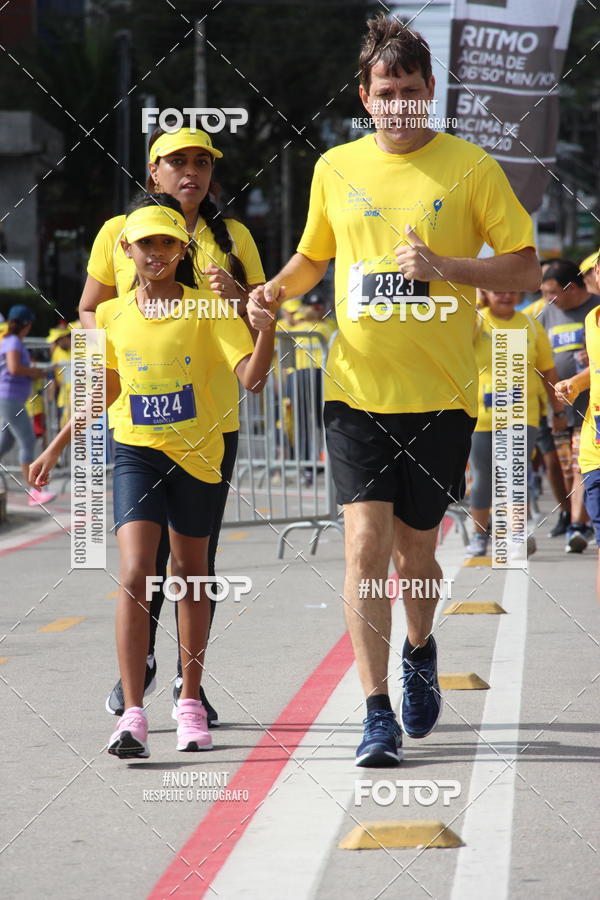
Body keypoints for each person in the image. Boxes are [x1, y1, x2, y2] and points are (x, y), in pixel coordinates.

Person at [248, 15, 540, 767]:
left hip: (442, 396)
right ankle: (375, 709)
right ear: (365, 96)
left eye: (412, 90)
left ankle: (420, 647)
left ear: (430, 92)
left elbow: (525, 270)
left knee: (416, 557)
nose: (400, 102)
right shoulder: (335, 167)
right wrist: (273, 291)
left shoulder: (471, 168)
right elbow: (313, 258)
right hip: (355, 392)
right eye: (387, 91)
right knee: (364, 547)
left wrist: (446, 266)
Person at [29, 195, 275, 758]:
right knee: (137, 571)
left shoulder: (209, 311)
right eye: (146, 244)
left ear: (183, 249)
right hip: (137, 452)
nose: (157, 253)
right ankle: (132, 715)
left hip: (200, 457)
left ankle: (190, 701)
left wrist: (264, 330)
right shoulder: (111, 314)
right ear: (127, 250)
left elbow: (252, 380)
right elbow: (105, 389)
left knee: (190, 573)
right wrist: (55, 447)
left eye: (167, 243)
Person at [79, 126, 265, 724]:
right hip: (137, 420)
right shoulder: (117, 231)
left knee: (194, 557)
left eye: (202, 164)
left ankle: (192, 687)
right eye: (176, 162)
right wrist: (110, 360)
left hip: (212, 423)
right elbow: (92, 310)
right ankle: (139, 668)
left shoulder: (232, 237)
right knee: (141, 560)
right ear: (153, 171)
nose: (191, 173)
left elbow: (257, 313)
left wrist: (237, 294)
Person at [467, 290, 561, 558]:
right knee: (484, 477)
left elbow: (548, 369)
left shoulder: (530, 323)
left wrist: (558, 409)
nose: (506, 296)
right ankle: (478, 536)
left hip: (522, 416)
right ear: (486, 293)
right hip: (482, 417)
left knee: (515, 474)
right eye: (498, 290)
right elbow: (457, 344)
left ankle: (517, 535)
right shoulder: (476, 320)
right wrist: (477, 302)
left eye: (511, 290)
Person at [539, 259, 600, 553]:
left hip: (592, 407)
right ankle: (572, 519)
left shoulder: (595, 310)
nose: (547, 299)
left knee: (579, 465)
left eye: (551, 292)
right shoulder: (547, 314)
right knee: (567, 468)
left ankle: (578, 524)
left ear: (571, 288)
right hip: (562, 405)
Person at [555, 252, 600, 600]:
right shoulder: (592, 319)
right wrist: (576, 383)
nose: (589, 276)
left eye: (591, 270)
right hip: (594, 447)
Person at [0, 304, 55, 506]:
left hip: (10, 398)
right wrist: (35, 372)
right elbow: (15, 368)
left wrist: (34, 372)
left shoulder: (10, 341)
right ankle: (34, 491)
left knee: (6, 443)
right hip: (10, 398)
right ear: (26, 324)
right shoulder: (13, 342)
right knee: (28, 441)